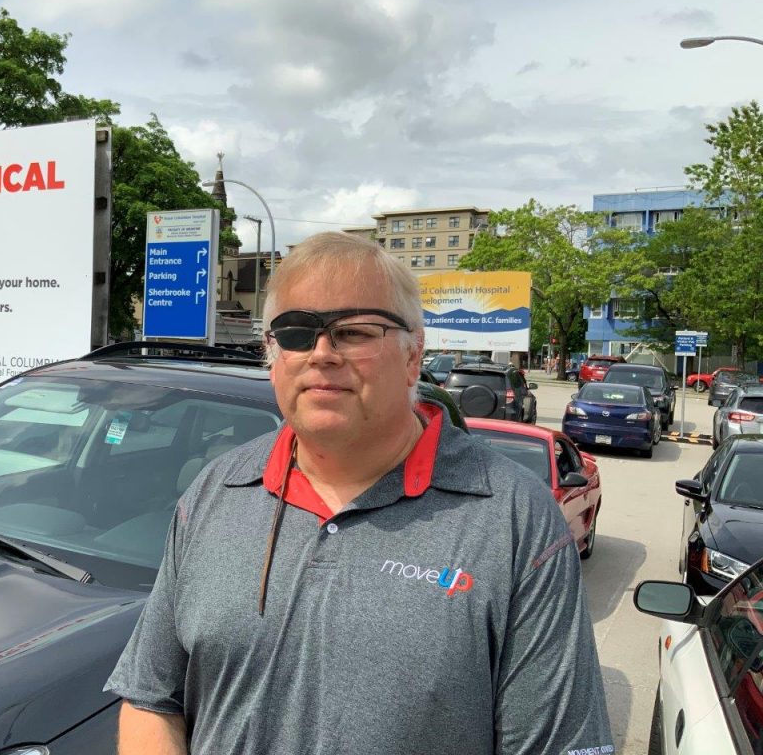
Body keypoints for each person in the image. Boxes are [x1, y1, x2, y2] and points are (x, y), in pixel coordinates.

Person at [105, 232, 613, 755]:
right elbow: (151, 698)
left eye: (353, 332)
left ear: (414, 355)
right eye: (297, 332)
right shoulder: (216, 491)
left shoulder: (514, 518)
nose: (322, 353)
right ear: (272, 355)